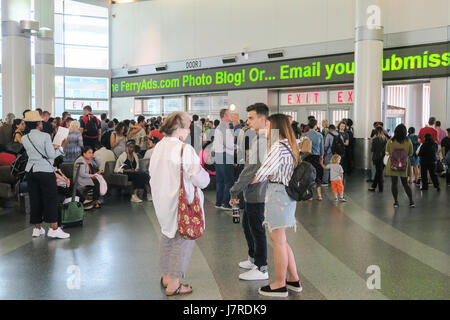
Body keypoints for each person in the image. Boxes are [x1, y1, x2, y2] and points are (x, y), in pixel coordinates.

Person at [149, 111, 210, 296]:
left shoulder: (158, 147)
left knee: (167, 236)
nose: (189, 129)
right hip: (181, 204)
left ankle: (166, 276)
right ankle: (174, 284)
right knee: (182, 241)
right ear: (179, 128)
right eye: (188, 126)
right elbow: (200, 179)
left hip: (162, 201)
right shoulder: (184, 149)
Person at [252, 113, 302, 298]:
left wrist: (246, 184)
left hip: (278, 196)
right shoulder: (290, 145)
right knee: (281, 239)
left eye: (268, 125)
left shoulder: (278, 146)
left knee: (277, 240)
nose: (265, 128)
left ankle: (280, 284)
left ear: (276, 128)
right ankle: (293, 279)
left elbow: (262, 172)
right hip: (286, 195)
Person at [229, 103, 269, 281]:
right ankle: (253, 258)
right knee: (247, 226)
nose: (248, 121)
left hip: (257, 193)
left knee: (257, 230)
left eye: (251, 118)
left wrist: (234, 190)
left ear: (262, 119)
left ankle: (261, 267)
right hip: (252, 191)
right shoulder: (259, 139)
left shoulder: (262, 141)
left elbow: (250, 169)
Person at [21, 110, 69, 239]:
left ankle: (37, 229)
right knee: (50, 199)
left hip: (30, 171)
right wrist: (61, 147)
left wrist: (50, 148)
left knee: (35, 198)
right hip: (44, 171)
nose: (42, 123)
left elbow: (36, 153)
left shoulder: (24, 138)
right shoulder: (45, 136)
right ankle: (54, 229)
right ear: (37, 123)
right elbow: (51, 155)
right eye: (40, 121)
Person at [385, 124, 414, 208]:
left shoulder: (390, 141)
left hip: (393, 165)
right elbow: (411, 153)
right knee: (405, 184)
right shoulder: (408, 141)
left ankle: (396, 202)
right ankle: (411, 201)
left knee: (394, 183)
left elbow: (387, 153)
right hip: (403, 165)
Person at [213, 108, 235, 210]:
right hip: (225, 155)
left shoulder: (218, 127)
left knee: (220, 181)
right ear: (225, 116)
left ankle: (218, 202)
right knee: (228, 181)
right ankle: (226, 203)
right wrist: (238, 146)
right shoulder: (225, 127)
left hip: (218, 155)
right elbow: (229, 144)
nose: (232, 116)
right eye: (230, 114)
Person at [74, 146, 102, 211]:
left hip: (87, 179)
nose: (91, 154)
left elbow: (98, 165)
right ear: (84, 153)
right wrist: (94, 175)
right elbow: (82, 174)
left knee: (97, 180)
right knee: (96, 182)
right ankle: (95, 201)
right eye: (89, 153)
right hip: (80, 180)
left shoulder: (90, 160)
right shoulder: (80, 160)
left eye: (92, 153)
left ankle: (96, 200)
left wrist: (95, 158)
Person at [306, 118, 324, 200]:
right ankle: (319, 195)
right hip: (316, 157)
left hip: (307, 157)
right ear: (315, 126)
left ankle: (310, 195)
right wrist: (322, 157)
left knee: (309, 175)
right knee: (317, 175)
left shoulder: (305, 135)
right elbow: (322, 148)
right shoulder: (319, 135)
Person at [368, 127, 387, 192]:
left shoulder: (375, 139)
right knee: (379, 172)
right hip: (383, 158)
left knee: (379, 173)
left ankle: (381, 188)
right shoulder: (385, 139)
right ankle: (373, 186)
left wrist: (372, 158)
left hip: (377, 157)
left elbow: (372, 150)